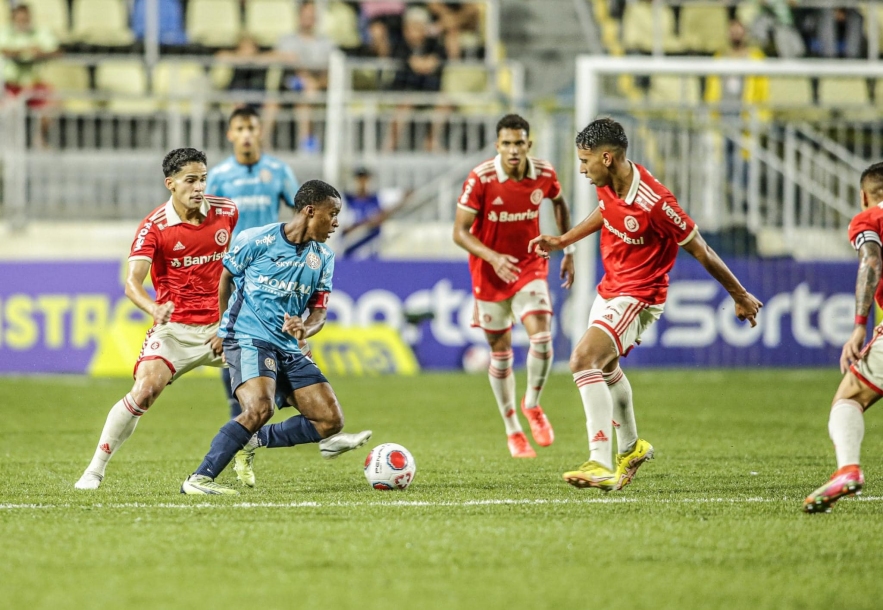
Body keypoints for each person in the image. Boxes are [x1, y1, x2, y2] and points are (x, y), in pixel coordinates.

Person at [529, 118, 762, 490]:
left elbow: (701, 250)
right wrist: (563, 240)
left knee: (581, 360)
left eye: (585, 160)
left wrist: (740, 295)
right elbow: (605, 212)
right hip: (610, 288)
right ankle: (632, 447)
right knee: (604, 368)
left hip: (639, 295)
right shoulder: (609, 183)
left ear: (607, 157)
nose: (581, 168)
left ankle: (599, 461)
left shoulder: (656, 203)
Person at [181, 180, 372, 495]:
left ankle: (252, 439)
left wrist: (304, 329)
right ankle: (198, 480)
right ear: (310, 211)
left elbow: (319, 313)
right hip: (248, 337)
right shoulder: (257, 239)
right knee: (259, 408)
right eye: (332, 213)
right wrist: (223, 326)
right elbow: (226, 277)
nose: (337, 222)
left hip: (289, 347)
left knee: (328, 422)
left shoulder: (323, 257)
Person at [74, 148, 238, 490]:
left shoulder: (227, 212)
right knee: (145, 391)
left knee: (279, 377)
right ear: (171, 184)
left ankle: (323, 434)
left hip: (221, 328)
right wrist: (153, 308)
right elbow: (132, 282)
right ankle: (94, 470)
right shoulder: (155, 227)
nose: (198, 187)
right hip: (175, 330)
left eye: (203, 179)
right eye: (190, 180)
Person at [453, 114, 575, 459]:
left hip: (530, 264)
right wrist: (492, 257)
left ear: (528, 145)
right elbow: (459, 232)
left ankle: (532, 404)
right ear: (497, 146)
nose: (513, 150)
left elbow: (560, 205)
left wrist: (568, 248)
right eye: (506, 143)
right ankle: (513, 431)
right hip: (490, 272)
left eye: (519, 143)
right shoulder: (481, 178)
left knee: (542, 336)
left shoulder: (545, 173)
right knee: (501, 354)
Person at [207, 105, 300, 425]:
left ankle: (269, 404)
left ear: (260, 132)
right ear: (230, 134)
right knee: (230, 342)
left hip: (270, 273)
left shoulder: (277, 171)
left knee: (276, 341)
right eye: (240, 129)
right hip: (232, 274)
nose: (246, 135)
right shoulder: (218, 176)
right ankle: (242, 415)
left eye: (251, 128)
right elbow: (204, 223)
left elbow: (301, 211)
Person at [803, 162, 883, 514]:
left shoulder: (868, 220)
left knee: (849, 395)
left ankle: (848, 469)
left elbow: (870, 261)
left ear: (865, 195)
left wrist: (860, 324)